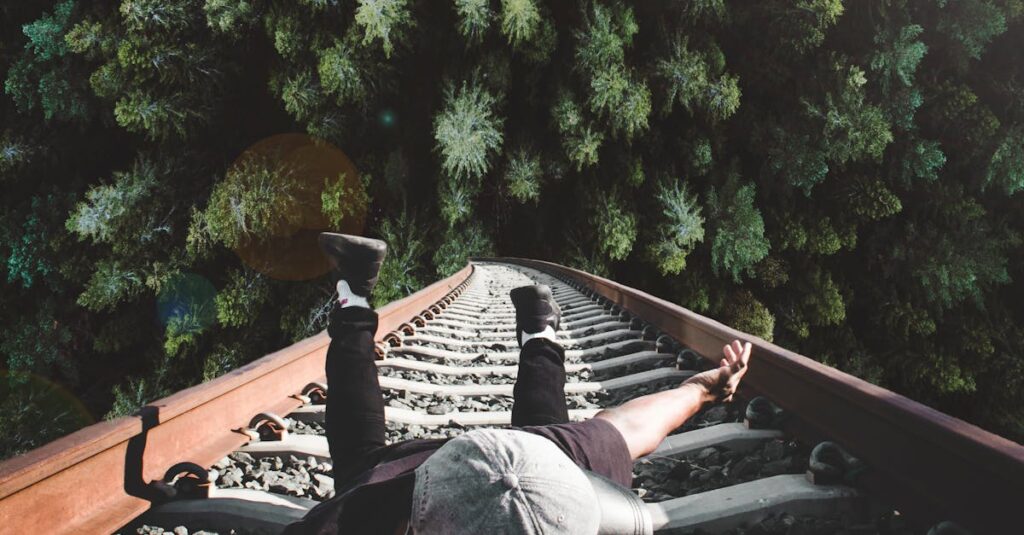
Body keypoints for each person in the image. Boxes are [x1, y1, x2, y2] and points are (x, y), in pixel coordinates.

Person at [283, 233, 753, 535]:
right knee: (546, 440)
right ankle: (538, 330)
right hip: (527, 458)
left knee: (360, 467)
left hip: (431, 474)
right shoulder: (561, 468)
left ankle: (357, 296)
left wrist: (703, 389)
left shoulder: (353, 521)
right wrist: (703, 390)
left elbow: (628, 428)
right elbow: (626, 428)